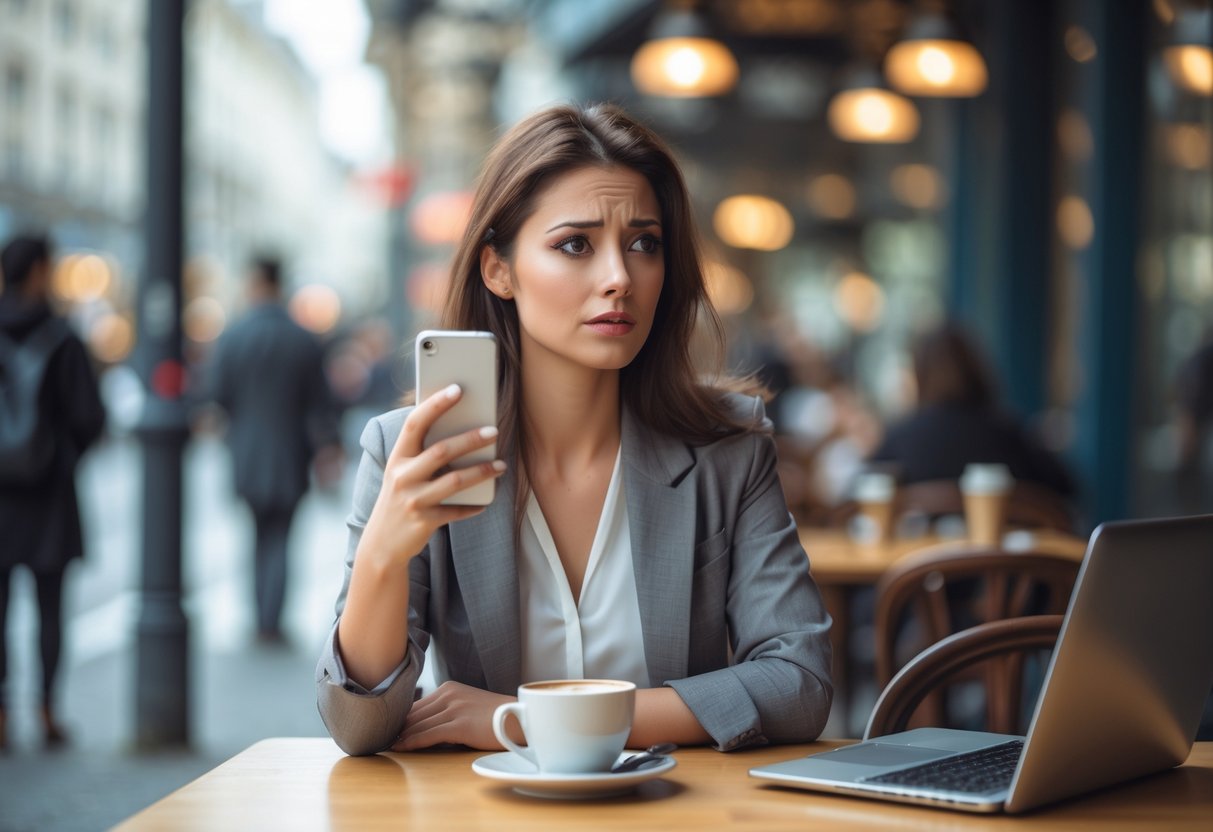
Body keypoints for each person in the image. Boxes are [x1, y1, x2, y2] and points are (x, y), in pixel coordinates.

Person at [315, 103, 834, 757]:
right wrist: (383, 556)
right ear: (498, 269)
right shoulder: (413, 452)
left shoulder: (727, 448)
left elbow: (799, 685)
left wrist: (530, 721)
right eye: (574, 245)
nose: (619, 277)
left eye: (643, 243)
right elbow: (358, 728)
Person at [0, 234, 105, 749]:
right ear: (40, 270)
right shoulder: (62, 336)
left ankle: (0, 713)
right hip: (50, 496)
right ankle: (46, 709)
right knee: (50, 607)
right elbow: (91, 418)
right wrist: (58, 456)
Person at [209, 256, 340, 642]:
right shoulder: (302, 338)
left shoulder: (232, 336)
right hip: (290, 456)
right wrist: (329, 448)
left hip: (247, 455)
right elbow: (321, 403)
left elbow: (216, 396)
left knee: (254, 536)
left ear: (254, 283)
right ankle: (272, 621)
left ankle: (257, 618)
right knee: (282, 539)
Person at [866, 323, 1076, 500]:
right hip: (999, 550)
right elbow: (1066, 488)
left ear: (920, 376)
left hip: (916, 550)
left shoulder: (900, 438)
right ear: (977, 372)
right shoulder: (1009, 433)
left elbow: (861, 492)